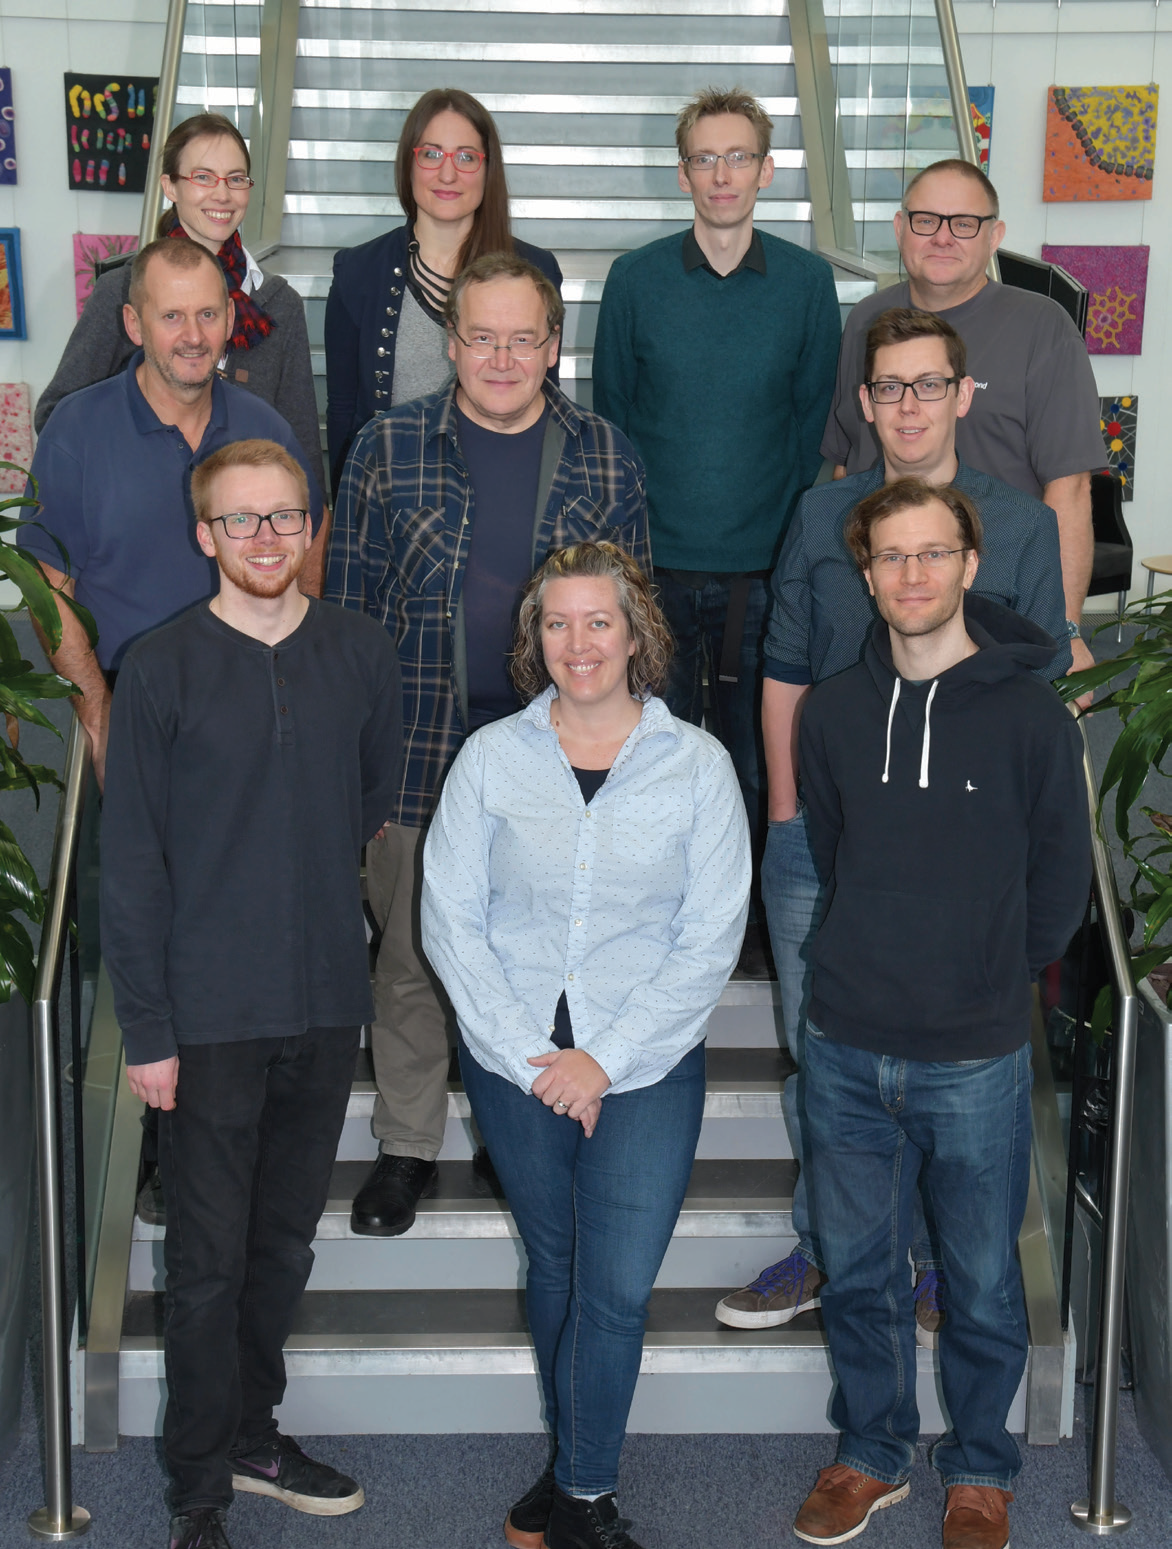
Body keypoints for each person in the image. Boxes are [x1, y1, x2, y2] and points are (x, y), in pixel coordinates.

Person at [715, 306, 1071, 1336]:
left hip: (962, 862)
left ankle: (930, 1264)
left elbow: (1036, 690)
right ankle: (831, 1248)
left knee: (953, 1074)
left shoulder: (1018, 527)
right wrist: (783, 816)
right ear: (862, 403)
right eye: (886, 387)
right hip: (821, 843)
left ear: (962, 396)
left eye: (926, 384)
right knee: (819, 1056)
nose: (905, 405)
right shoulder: (818, 515)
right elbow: (783, 666)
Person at [100, 438, 403, 1549]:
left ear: (311, 525)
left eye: (285, 517)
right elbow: (130, 864)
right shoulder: (159, 665)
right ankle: (198, 1486)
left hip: (324, 1002)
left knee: (281, 1247)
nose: (267, 538)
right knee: (205, 1262)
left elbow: (369, 803)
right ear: (205, 535)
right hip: (207, 1017)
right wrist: (150, 1029)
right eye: (242, 520)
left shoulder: (360, 653)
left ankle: (254, 1432)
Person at [421, 542, 751, 1549]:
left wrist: (600, 1061)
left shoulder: (696, 764)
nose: (577, 644)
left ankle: (582, 1491)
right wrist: (534, 1055)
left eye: (596, 621)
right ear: (534, 640)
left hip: (644, 1059)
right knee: (556, 1264)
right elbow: (449, 919)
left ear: (636, 631)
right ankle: (574, 1477)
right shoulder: (492, 759)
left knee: (614, 1283)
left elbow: (710, 936)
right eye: (555, 624)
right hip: (513, 1050)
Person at [789, 479, 1088, 1549]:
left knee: (977, 1276)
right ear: (863, 573)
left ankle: (977, 1467)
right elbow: (834, 849)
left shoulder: (1026, 714)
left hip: (972, 1049)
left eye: (931, 553)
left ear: (969, 563)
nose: (910, 575)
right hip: (842, 1040)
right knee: (858, 1266)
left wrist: (992, 971)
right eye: (889, 557)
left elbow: (1058, 876)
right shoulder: (827, 711)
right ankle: (869, 1451)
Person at [325, 253, 650, 1239]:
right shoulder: (385, 448)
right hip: (417, 749)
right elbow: (345, 622)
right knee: (415, 959)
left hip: (560, 761)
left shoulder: (606, 456)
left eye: (523, 338)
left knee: (544, 957)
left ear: (553, 345)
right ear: (451, 342)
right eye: (481, 336)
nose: (501, 357)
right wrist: (352, 779)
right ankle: (406, 1148)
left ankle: (527, 1135)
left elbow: (634, 623)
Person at [592, 86, 839, 965]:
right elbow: (611, 424)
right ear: (685, 170)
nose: (723, 174)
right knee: (646, 763)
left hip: (766, 577)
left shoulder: (808, 285)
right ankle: (645, 927)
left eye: (739, 157)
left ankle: (746, 935)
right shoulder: (636, 280)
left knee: (753, 765)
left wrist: (785, 560)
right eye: (706, 157)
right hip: (654, 573)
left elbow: (814, 429)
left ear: (766, 171)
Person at [17, 237, 324, 788]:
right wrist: (102, 717)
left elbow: (308, 544)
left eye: (208, 314)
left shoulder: (267, 430)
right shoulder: (75, 433)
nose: (192, 336)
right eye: (172, 316)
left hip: (251, 707)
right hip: (124, 701)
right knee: (126, 874)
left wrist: (291, 683)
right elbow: (46, 590)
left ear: (230, 318)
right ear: (135, 325)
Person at [821, 157, 1105, 676]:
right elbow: (848, 464)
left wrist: (1062, 628)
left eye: (964, 223)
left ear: (994, 235)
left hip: (994, 600)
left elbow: (1069, 488)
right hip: (878, 596)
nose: (942, 237)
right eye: (926, 220)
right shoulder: (865, 321)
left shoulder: (1042, 327)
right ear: (901, 228)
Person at [36, 112, 323, 493]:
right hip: (138, 508)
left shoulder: (277, 302)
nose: (222, 194)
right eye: (203, 177)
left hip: (242, 523)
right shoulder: (123, 290)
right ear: (170, 186)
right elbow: (56, 414)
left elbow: (300, 441)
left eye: (236, 179)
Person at [325, 86, 562, 492]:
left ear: (489, 170)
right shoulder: (357, 273)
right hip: (392, 498)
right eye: (431, 154)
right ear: (408, 164)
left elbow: (547, 401)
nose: (447, 174)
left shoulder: (536, 271)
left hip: (506, 489)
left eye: (466, 157)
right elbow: (344, 411)